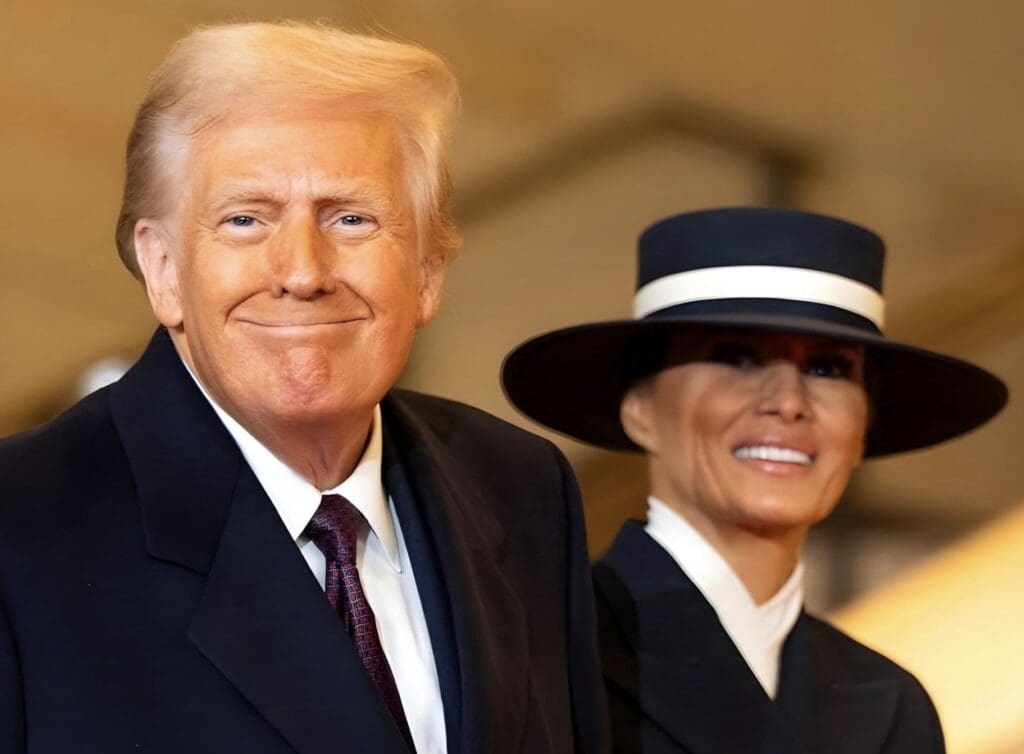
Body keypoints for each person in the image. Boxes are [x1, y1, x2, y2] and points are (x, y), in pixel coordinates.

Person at [0, 22, 606, 754]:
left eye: (351, 219)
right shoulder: (24, 524)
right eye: (246, 220)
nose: (302, 272)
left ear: (427, 270)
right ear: (162, 269)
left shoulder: (519, 486)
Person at [502, 207, 1008, 753]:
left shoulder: (891, 703)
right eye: (736, 358)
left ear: (863, 430)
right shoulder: (546, 650)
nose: (788, 403)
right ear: (640, 410)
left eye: (828, 369)